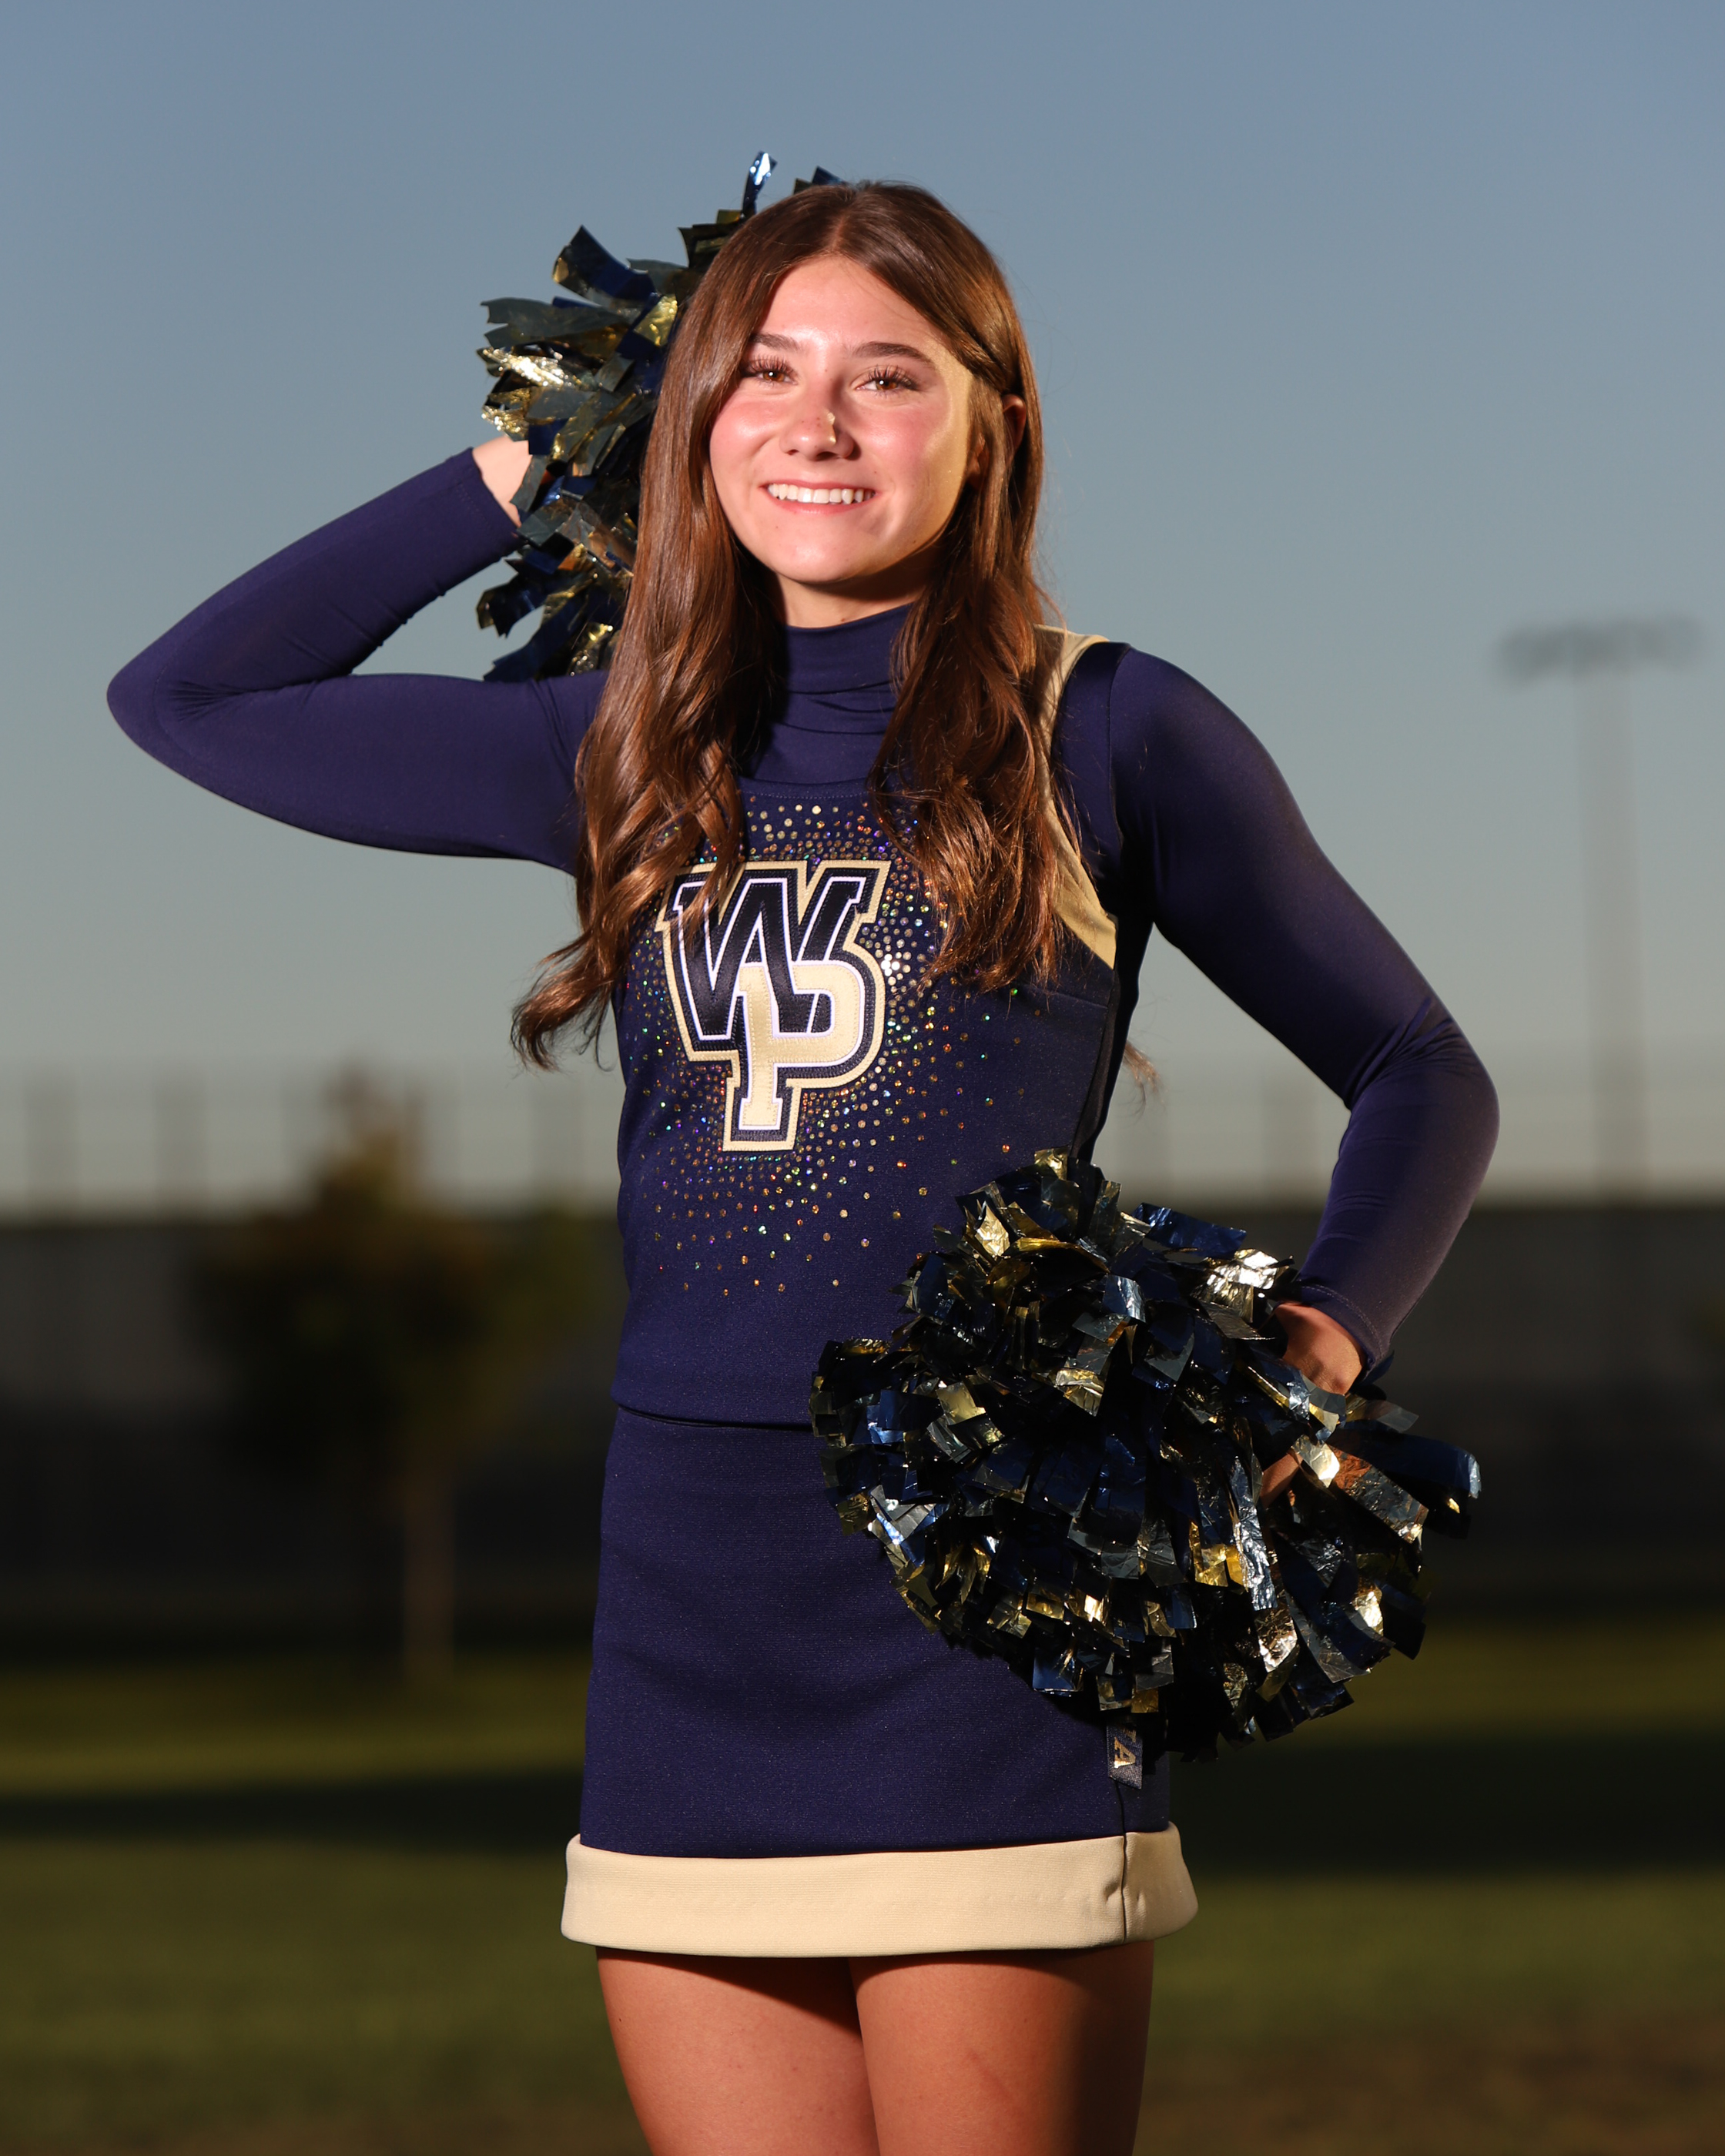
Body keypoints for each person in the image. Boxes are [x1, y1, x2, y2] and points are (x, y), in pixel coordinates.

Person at [109, 179, 1497, 2156]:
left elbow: (1418, 1066)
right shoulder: (623, 742)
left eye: (888, 376)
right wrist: (528, 458)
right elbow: (187, 699)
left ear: (992, 425)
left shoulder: (1105, 726)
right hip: (688, 1594)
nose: (818, 423)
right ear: (685, 417)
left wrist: (1317, 1344)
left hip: (981, 1602)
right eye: (758, 372)